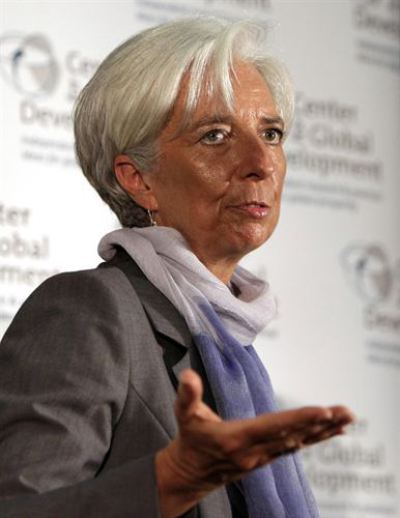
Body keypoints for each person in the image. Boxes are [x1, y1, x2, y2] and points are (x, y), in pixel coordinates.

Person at [0, 17, 354, 517]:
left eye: (271, 133)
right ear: (138, 179)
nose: (261, 162)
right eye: (215, 136)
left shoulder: (228, 341)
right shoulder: (90, 312)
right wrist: (167, 483)